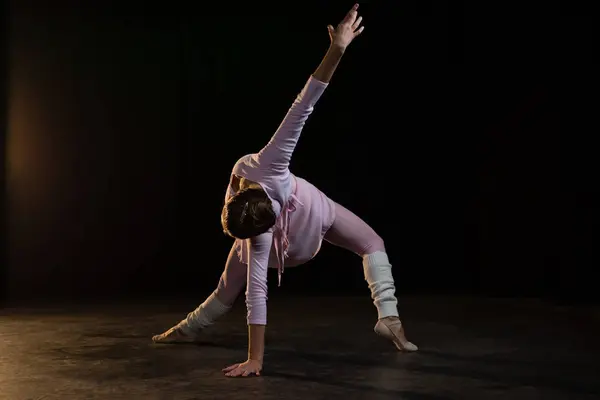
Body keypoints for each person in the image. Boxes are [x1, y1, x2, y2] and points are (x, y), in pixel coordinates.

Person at [152, 4, 417, 377]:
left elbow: (256, 295)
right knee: (371, 244)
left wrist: (256, 360)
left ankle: (188, 328)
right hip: (315, 214)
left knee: (230, 286)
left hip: (302, 230)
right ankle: (388, 317)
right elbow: (303, 103)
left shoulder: (260, 216)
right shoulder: (265, 169)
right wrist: (337, 49)